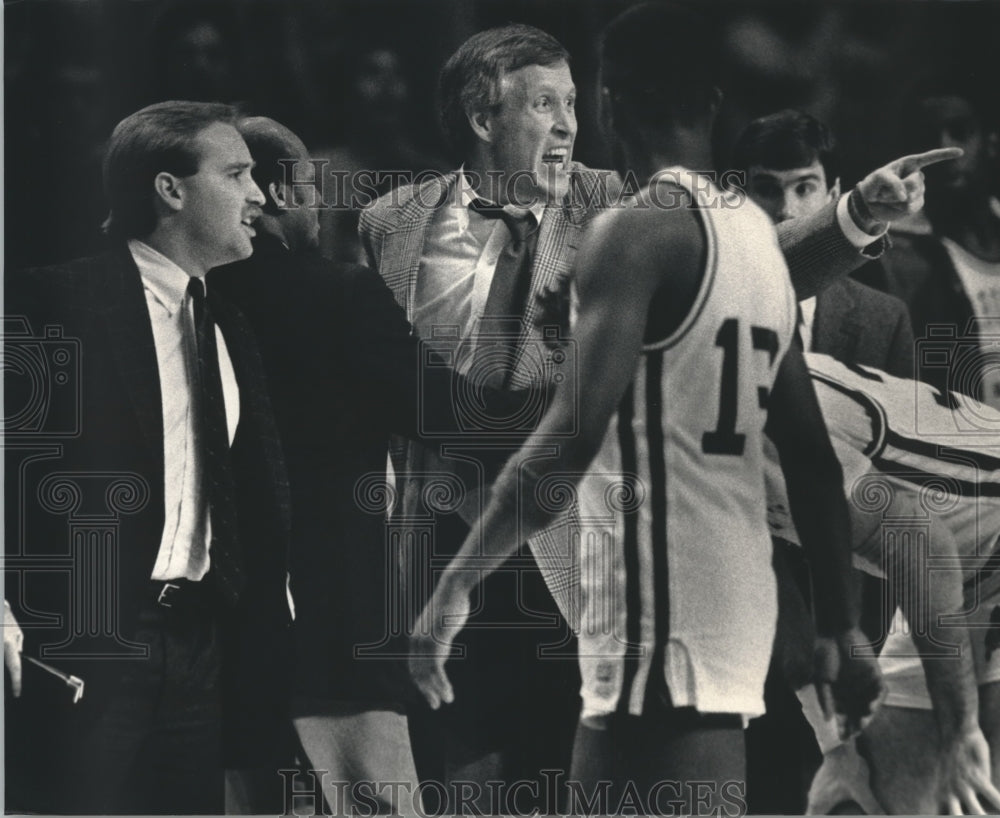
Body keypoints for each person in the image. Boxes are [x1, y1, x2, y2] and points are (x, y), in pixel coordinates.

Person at [408, 5, 883, 814]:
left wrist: (454, 587)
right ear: (712, 100)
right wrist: (844, 623)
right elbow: (807, 450)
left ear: (608, 99)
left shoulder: (633, 230)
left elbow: (566, 440)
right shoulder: (756, 241)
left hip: (661, 612)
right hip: (725, 608)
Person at [210, 115, 534, 816]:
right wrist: (583, 384)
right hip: (335, 632)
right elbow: (460, 418)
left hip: (218, 639)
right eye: (311, 189)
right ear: (283, 192)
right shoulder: (335, 296)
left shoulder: (190, 298)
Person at [2, 101, 290, 814]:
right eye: (238, 173)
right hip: (81, 644)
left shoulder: (230, 324)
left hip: (197, 646)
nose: (261, 196)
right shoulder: (54, 301)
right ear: (170, 189)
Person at [732, 107, 916, 812]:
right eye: (766, 188)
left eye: (805, 187)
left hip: (859, 609)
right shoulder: (713, 303)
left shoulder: (878, 317)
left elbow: (901, 485)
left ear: (832, 191)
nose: (786, 207)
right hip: (746, 617)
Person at [764, 351, 1000, 814]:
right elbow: (777, 602)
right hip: (954, 573)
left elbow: (919, 543)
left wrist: (960, 730)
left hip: (956, 552)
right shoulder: (667, 433)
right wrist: (836, 747)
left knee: (981, 782)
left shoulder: (729, 408)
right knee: (872, 797)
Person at [856, 74, 1000, 408]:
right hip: (965, 449)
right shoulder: (895, 256)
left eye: (960, 132)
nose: (945, 149)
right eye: (929, 139)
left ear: (991, 142)